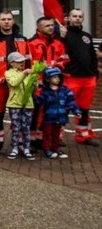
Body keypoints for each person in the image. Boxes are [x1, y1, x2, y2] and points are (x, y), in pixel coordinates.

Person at [0, 11, 30, 154]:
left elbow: (28, 61)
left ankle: (19, 142)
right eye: (3, 19)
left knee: (20, 114)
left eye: (9, 19)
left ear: (13, 21)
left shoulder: (22, 40)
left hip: (19, 83)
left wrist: (28, 80)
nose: (6, 22)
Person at [28, 16, 69, 149]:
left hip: (54, 84)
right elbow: (28, 63)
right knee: (35, 113)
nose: (51, 27)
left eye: (52, 25)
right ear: (39, 28)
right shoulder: (32, 43)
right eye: (47, 26)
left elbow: (64, 60)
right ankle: (34, 140)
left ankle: (48, 139)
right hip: (38, 84)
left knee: (51, 112)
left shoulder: (58, 43)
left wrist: (58, 66)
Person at [60, 9, 99, 146]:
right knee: (63, 108)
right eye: (74, 16)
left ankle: (83, 135)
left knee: (84, 108)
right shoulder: (63, 35)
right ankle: (57, 136)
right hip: (71, 78)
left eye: (80, 16)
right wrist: (61, 36)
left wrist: (95, 73)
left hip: (88, 78)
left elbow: (92, 56)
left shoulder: (87, 36)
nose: (77, 18)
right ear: (69, 18)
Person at [35, 67, 82, 160]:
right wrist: (36, 92)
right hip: (48, 117)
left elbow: (71, 101)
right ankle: (47, 149)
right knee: (47, 134)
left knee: (56, 134)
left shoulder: (64, 90)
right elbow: (38, 101)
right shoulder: (45, 91)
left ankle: (55, 149)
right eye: (54, 77)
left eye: (58, 77)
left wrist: (76, 111)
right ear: (48, 79)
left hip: (60, 117)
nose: (57, 79)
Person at [4, 52, 36, 160]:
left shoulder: (26, 73)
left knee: (26, 128)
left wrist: (34, 83)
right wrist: (24, 74)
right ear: (12, 63)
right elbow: (14, 83)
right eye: (19, 61)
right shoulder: (8, 73)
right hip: (15, 104)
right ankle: (15, 148)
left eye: (22, 61)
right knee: (16, 127)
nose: (22, 63)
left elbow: (31, 90)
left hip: (28, 104)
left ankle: (27, 148)